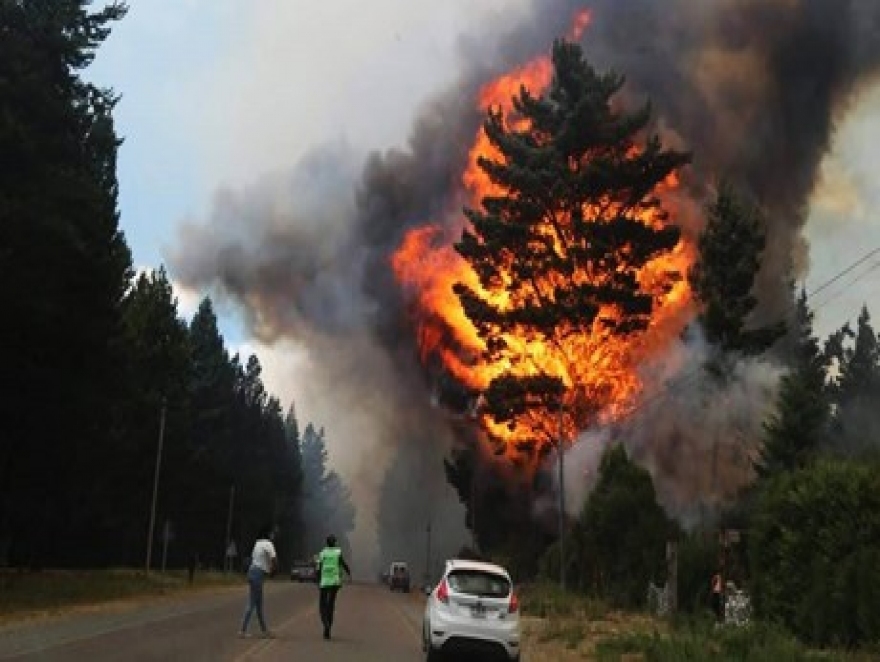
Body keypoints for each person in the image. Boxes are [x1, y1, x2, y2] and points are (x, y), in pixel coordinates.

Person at [239, 525, 277, 638]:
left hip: (252, 571)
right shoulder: (268, 544)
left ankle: (264, 631)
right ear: (268, 534)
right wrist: (273, 571)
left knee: (258, 604)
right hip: (258, 574)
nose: (273, 535)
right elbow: (274, 559)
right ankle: (242, 630)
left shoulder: (257, 543)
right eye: (272, 533)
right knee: (252, 603)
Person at [317, 534, 351, 640]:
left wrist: (318, 580)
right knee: (331, 604)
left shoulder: (322, 553)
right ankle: (329, 627)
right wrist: (348, 572)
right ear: (335, 543)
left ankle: (325, 624)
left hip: (324, 582)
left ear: (327, 543)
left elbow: (318, 568)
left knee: (322, 605)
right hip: (335, 582)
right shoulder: (338, 552)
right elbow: (343, 563)